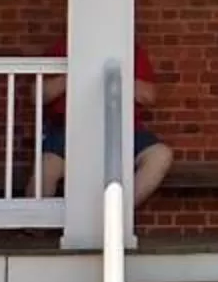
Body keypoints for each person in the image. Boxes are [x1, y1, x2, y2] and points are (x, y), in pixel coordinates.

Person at [40, 42, 175, 204]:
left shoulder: (130, 51)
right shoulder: (63, 48)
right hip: (70, 131)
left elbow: (149, 96)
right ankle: (33, 227)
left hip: (122, 131)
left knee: (160, 155)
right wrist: (78, 71)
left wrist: (115, 75)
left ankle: (119, 212)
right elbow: (39, 94)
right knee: (46, 169)